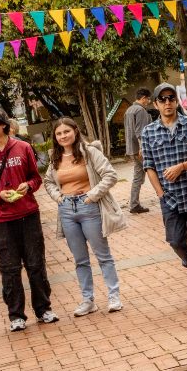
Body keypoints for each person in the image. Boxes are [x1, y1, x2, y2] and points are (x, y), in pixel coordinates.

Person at [0, 107, 58, 332]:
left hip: (28, 214)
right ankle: (16, 315)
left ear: (3, 125)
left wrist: (27, 186)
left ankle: (44, 309)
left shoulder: (23, 147)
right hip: (2, 219)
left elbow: (35, 179)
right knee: (9, 268)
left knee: (36, 263)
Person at [43, 118, 126, 315]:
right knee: (80, 260)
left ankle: (114, 296)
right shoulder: (55, 157)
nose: (63, 136)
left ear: (75, 131)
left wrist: (92, 195)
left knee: (102, 255)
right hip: (67, 210)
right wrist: (58, 197)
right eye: (59, 134)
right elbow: (48, 182)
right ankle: (88, 300)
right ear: (55, 137)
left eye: (66, 132)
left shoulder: (90, 152)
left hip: (89, 208)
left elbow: (110, 175)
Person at [141, 83, 187, 304]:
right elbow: (149, 166)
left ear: (176, 101)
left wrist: (182, 166)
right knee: (175, 241)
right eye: (162, 99)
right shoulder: (148, 132)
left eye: (171, 98)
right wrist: (160, 194)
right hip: (169, 197)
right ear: (155, 104)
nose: (168, 102)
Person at [123, 87, 153, 214]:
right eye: (148, 99)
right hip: (141, 150)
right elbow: (141, 132)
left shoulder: (129, 110)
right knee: (155, 171)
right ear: (144, 98)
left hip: (132, 149)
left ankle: (134, 204)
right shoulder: (140, 110)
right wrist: (142, 147)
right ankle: (167, 197)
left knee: (138, 176)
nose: (149, 101)